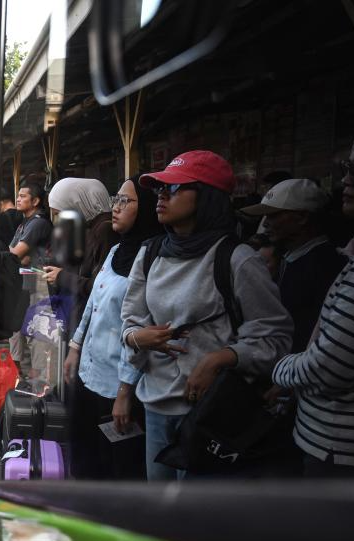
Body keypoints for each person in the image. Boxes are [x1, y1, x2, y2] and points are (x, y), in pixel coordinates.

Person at [120, 150, 293, 480]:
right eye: (159, 189)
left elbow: (276, 338)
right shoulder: (150, 253)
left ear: (208, 198)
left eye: (173, 189)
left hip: (212, 413)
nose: (161, 197)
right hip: (155, 406)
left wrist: (220, 359)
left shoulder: (237, 259)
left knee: (195, 518)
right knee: (161, 514)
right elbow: (130, 319)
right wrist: (137, 337)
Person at [272, 122, 354, 476]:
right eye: (345, 170)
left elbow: (330, 366)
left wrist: (278, 368)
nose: (346, 182)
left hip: (345, 450)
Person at [63, 176, 163, 480]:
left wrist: (124, 392)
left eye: (125, 201)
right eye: (114, 200)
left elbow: (142, 326)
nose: (116, 208)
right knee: (85, 455)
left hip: (118, 384)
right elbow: (93, 304)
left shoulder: (153, 259)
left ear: (145, 208)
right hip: (89, 373)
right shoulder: (115, 250)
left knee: (118, 465)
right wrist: (75, 347)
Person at [241, 179, 345, 352]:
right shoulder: (288, 258)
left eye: (273, 215)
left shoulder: (325, 266)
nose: (265, 222)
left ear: (302, 217)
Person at [41, 177, 118, 327]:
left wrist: (62, 276)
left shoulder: (105, 230)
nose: (59, 220)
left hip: (94, 323)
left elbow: (101, 286)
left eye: (60, 213)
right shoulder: (87, 228)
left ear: (77, 206)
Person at [8, 180, 52, 379]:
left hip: (39, 287)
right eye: (18, 195)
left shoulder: (39, 223)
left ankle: (36, 380)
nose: (18, 199)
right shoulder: (24, 223)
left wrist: (17, 255)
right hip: (25, 287)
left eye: (23, 196)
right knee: (19, 334)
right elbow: (15, 254)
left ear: (35, 201)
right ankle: (25, 378)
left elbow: (16, 254)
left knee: (37, 334)